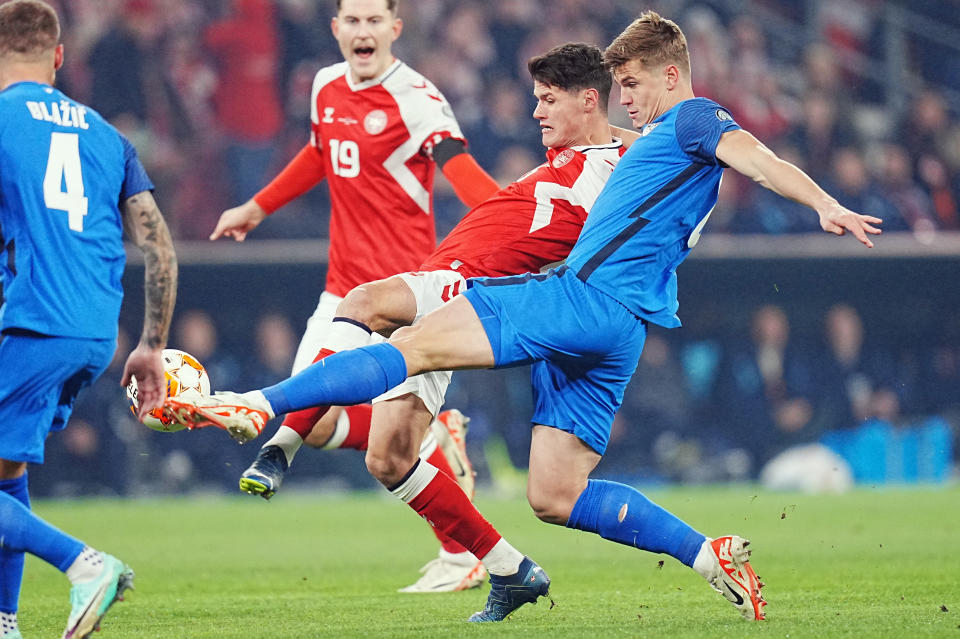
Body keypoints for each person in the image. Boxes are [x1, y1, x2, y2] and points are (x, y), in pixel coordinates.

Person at [170, 11, 882, 623]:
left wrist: (821, 202)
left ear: (671, 75)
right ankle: (707, 553)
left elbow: (752, 154)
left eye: (631, 82)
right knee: (553, 492)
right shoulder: (645, 154)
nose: (624, 96)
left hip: (579, 298)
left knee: (412, 344)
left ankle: (256, 403)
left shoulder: (690, 117)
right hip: (623, 331)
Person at [236, 41, 629, 593]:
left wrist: (697, 143)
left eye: (546, 100)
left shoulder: (618, 175)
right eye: (536, 99)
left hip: (457, 284)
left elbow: (653, 174)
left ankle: (266, 423)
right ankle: (510, 569)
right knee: (389, 459)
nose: (535, 111)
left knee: (363, 305)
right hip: (440, 277)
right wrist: (258, 206)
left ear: (587, 100)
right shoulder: (578, 153)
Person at [208, 0, 499, 593]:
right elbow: (320, 154)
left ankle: (463, 547)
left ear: (395, 28)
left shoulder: (418, 98)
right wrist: (256, 206)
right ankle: (434, 438)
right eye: (353, 20)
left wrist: (517, 226)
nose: (363, 31)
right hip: (344, 287)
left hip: (404, 294)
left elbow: (460, 170)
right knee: (318, 426)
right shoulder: (324, 86)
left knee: (341, 429)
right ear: (336, 28)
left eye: (374, 21)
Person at [0, 1, 178, 638]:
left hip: (30, 319)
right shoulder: (107, 134)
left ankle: (82, 563)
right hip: (97, 332)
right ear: (57, 57)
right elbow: (158, 247)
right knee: (6, 472)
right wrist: (152, 345)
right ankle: (5, 621)